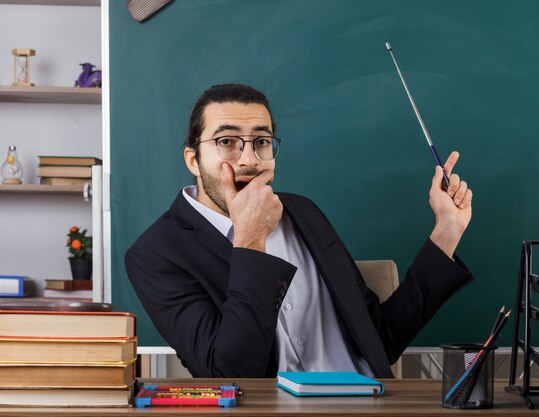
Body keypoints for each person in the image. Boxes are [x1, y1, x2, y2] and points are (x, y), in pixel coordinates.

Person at [125, 83, 474, 378]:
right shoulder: (154, 255)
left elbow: (379, 338)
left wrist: (447, 230)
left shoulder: (303, 213)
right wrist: (250, 240)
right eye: (227, 141)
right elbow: (229, 374)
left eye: (261, 142)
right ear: (192, 160)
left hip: (369, 404)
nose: (249, 159)